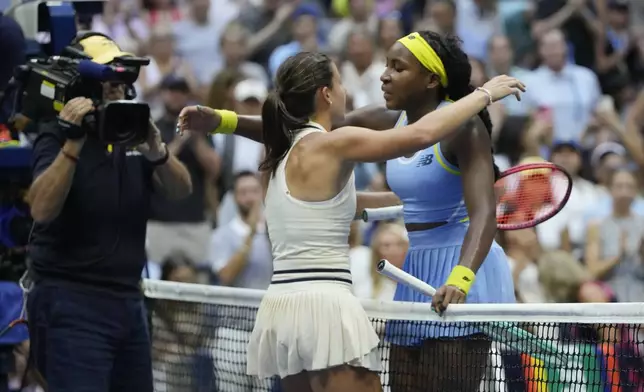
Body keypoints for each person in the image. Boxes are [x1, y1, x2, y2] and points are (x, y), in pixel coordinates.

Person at [178, 49, 524, 391]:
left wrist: (223, 121)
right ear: (326, 94)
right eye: (340, 83)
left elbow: (342, 205)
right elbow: (419, 135)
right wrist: (483, 94)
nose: (347, 91)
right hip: (325, 307)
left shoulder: (279, 156)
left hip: (282, 309)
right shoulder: (334, 143)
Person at [25, 33, 192, 392]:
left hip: (129, 302)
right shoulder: (55, 136)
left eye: (120, 82)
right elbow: (40, 208)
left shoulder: (132, 134)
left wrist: (157, 150)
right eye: (107, 81)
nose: (116, 90)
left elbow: (181, 191)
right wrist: (74, 142)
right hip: (71, 302)